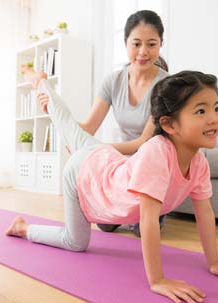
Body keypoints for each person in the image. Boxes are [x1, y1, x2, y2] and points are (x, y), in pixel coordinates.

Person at [6, 68, 218, 303]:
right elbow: (147, 220)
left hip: (104, 157)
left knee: (66, 123)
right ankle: (24, 229)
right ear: (169, 125)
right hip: (84, 173)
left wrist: (214, 262)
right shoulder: (157, 153)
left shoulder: (199, 162)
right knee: (75, 242)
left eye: (216, 108)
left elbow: (205, 213)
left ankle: (41, 82)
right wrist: (158, 280)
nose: (214, 119)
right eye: (201, 111)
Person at [39, 10, 169, 236]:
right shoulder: (113, 81)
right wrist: (54, 112)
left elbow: (142, 143)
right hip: (121, 164)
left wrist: (97, 150)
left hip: (150, 163)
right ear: (126, 43)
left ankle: (153, 209)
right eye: (136, 43)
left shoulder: (166, 85)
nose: (143, 52)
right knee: (106, 225)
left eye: (151, 44)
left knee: (142, 231)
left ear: (160, 45)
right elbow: (87, 128)